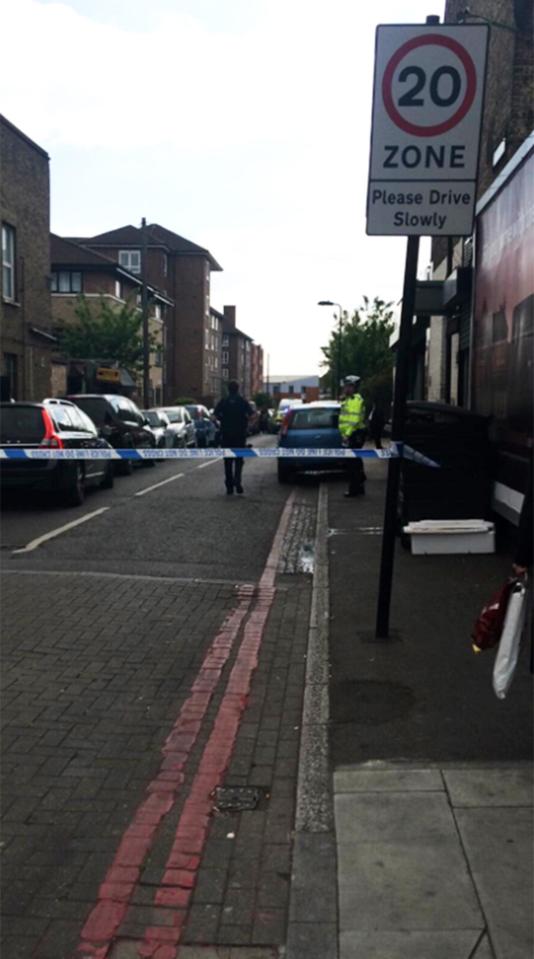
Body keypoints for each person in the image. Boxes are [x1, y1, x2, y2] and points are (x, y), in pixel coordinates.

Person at [214, 380, 252, 495]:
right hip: (240, 435)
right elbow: (252, 414)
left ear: (228, 389)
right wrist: (246, 423)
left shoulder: (224, 401)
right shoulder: (242, 401)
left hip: (226, 435)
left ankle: (229, 486)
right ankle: (237, 481)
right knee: (239, 460)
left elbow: (215, 414)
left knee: (228, 461)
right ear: (238, 389)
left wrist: (222, 420)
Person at [338, 375, 367, 497]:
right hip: (350, 434)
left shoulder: (355, 400)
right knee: (354, 461)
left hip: (355, 434)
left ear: (352, 387)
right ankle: (360, 484)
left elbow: (353, 420)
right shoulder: (348, 400)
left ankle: (354, 489)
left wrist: (347, 434)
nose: (344, 388)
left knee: (352, 463)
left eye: (346, 386)